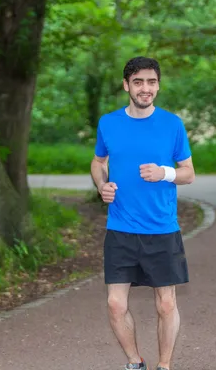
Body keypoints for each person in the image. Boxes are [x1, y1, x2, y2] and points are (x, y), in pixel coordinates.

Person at [90, 56, 196, 370]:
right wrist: (102, 185)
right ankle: (136, 363)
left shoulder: (171, 124)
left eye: (151, 82)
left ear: (158, 86)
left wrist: (164, 173)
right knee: (114, 303)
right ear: (127, 86)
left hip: (162, 228)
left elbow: (188, 173)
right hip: (121, 228)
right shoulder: (108, 123)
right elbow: (98, 162)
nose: (145, 88)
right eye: (138, 82)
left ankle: (164, 365)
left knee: (166, 304)